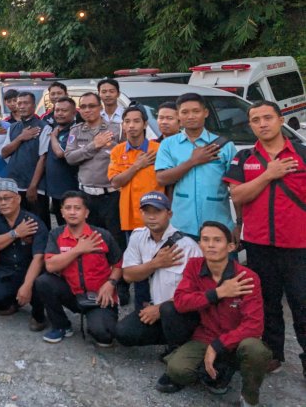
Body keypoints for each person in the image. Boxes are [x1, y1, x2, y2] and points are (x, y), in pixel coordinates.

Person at [226, 100, 306, 378]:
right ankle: (274, 353)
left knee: (302, 303)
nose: (262, 123)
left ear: (281, 119)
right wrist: (269, 175)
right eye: (255, 119)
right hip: (259, 244)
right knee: (267, 302)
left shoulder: (303, 154)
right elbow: (237, 196)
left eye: (268, 117)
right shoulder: (245, 158)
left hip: (299, 245)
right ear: (250, 125)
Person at [164, 222, 271, 405]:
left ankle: (249, 398)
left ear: (231, 246)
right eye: (205, 240)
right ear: (200, 245)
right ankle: (214, 372)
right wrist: (218, 293)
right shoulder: (194, 266)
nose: (211, 245)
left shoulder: (247, 277)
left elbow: (254, 325)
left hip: (237, 340)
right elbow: (180, 303)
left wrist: (217, 345)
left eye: (217, 240)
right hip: (205, 335)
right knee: (177, 371)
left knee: (256, 350)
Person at [114, 192, 202, 389]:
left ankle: (180, 356)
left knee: (170, 311)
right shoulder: (138, 237)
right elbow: (128, 275)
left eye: (158, 212)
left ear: (169, 214)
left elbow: (198, 293)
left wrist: (160, 308)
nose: (152, 217)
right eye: (147, 212)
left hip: (182, 313)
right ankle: (172, 341)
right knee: (123, 333)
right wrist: (155, 263)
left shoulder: (188, 247)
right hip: (157, 311)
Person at [35, 191, 123, 346]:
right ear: (61, 212)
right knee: (43, 281)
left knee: (104, 335)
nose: (72, 212)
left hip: (99, 296)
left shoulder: (102, 235)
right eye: (67, 208)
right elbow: (50, 265)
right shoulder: (56, 234)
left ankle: (97, 320)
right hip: (72, 293)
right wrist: (78, 249)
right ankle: (61, 325)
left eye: (77, 208)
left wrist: (111, 283)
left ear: (86, 212)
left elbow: (118, 264)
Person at [64, 92, 126, 303]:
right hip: (86, 196)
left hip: (110, 195)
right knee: (88, 240)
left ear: (100, 107)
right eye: (83, 106)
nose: (87, 110)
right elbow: (70, 158)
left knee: (116, 241)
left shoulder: (116, 130)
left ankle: (120, 284)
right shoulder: (76, 131)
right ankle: (91, 282)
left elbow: (128, 154)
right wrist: (94, 145)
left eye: (92, 106)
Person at [154, 93, 236, 239]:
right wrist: (192, 161)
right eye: (185, 112)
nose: (190, 116)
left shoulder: (225, 146)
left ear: (205, 113)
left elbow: (237, 188)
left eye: (196, 111)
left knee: (223, 262)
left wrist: (239, 223)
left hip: (219, 224)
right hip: (182, 225)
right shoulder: (168, 144)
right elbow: (161, 178)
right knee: (185, 262)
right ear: (178, 115)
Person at [0, 179, 48, 324]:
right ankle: (12, 303)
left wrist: (27, 285)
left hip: (30, 271)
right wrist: (15, 233)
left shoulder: (32, 221)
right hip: (6, 271)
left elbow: (38, 258)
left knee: (41, 284)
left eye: (7, 198)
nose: (3, 202)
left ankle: (38, 316)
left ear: (18, 198)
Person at [108, 106, 163, 236]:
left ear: (145, 124)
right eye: (127, 121)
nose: (131, 125)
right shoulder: (117, 151)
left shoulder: (158, 149)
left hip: (156, 215)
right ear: (123, 125)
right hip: (130, 217)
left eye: (136, 121)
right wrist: (136, 166)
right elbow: (115, 182)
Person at [1, 91, 49, 224]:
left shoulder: (43, 127)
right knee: (17, 224)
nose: (22, 106)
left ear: (33, 106)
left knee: (39, 225)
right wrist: (21, 138)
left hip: (34, 187)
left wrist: (33, 186)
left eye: (26, 103)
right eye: (19, 103)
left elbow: (43, 158)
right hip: (15, 185)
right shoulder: (13, 128)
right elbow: (4, 152)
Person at [37, 97, 79, 228]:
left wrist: (53, 137)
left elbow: (60, 153)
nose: (59, 113)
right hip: (54, 191)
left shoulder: (74, 130)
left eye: (64, 111)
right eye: (57, 110)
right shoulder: (54, 128)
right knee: (61, 228)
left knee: (72, 226)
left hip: (69, 190)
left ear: (73, 113)